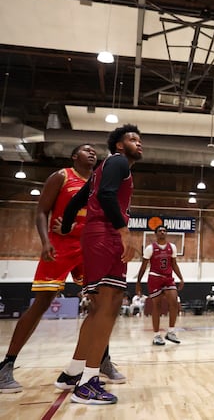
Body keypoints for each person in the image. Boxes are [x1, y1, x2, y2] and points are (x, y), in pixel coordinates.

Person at [0, 144, 123, 393]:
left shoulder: (101, 182)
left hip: (89, 249)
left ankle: (101, 360)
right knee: (42, 303)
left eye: (94, 151)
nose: (92, 153)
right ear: (73, 156)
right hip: (59, 247)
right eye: (85, 150)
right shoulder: (62, 176)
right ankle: (6, 365)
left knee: (101, 307)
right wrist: (45, 242)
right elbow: (41, 211)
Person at [57, 124, 142, 405]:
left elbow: (77, 200)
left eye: (140, 140)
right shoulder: (118, 162)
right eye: (132, 139)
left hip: (94, 236)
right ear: (119, 145)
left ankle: (73, 372)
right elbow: (106, 196)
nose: (138, 143)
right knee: (109, 305)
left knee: (96, 309)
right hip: (106, 236)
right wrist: (124, 231)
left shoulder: (100, 170)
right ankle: (88, 383)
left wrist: (68, 225)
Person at [135, 225, 185, 345]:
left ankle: (171, 332)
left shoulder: (172, 247)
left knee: (174, 302)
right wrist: (138, 282)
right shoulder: (150, 248)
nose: (162, 232)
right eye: (160, 231)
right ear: (156, 234)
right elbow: (143, 266)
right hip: (155, 278)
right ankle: (156, 335)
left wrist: (181, 278)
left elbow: (174, 264)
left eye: (164, 231)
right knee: (156, 306)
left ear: (166, 233)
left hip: (168, 278)